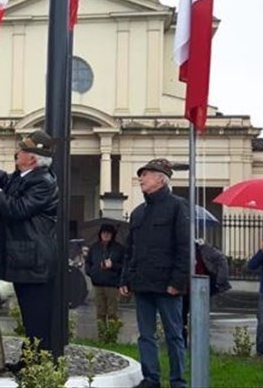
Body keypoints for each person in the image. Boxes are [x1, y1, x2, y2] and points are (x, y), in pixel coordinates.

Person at [0, 129, 60, 364]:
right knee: (31, 316)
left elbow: (18, 208)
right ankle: (30, 361)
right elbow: (8, 182)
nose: (17, 152)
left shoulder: (43, 181)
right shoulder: (27, 176)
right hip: (27, 258)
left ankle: (39, 364)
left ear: (32, 158)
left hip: (35, 260)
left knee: (37, 318)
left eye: (21, 150)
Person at [119, 158, 190, 388]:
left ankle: (177, 381)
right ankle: (151, 379)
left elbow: (184, 247)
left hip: (167, 285)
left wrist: (177, 281)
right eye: (141, 175)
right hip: (142, 284)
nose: (141, 178)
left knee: (174, 335)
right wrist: (125, 279)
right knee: (145, 335)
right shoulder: (139, 212)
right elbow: (130, 250)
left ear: (161, 178)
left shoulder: (178, 206)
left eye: (146, 174)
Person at [181, 239, 231, 344]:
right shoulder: (180, 248)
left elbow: (221, 259)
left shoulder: (204, 249)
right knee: (181, 318)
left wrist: (220, 281)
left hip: (200, 289)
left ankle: (199, 342)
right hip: (183, 289)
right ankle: (183, 342)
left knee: (200, 318)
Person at [85, 224, 124, 323]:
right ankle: (101, 336)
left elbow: (124, 266)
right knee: (100, 312)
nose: (106, 235)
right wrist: (91, 272)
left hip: (112, 285)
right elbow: (88, 262)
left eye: (108, 233)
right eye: (104, 233)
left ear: (112, 235)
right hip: (98, 284)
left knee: (112, 312)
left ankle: (111, 336)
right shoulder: (94, 247)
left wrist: (113, 265)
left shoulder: (118, 248)